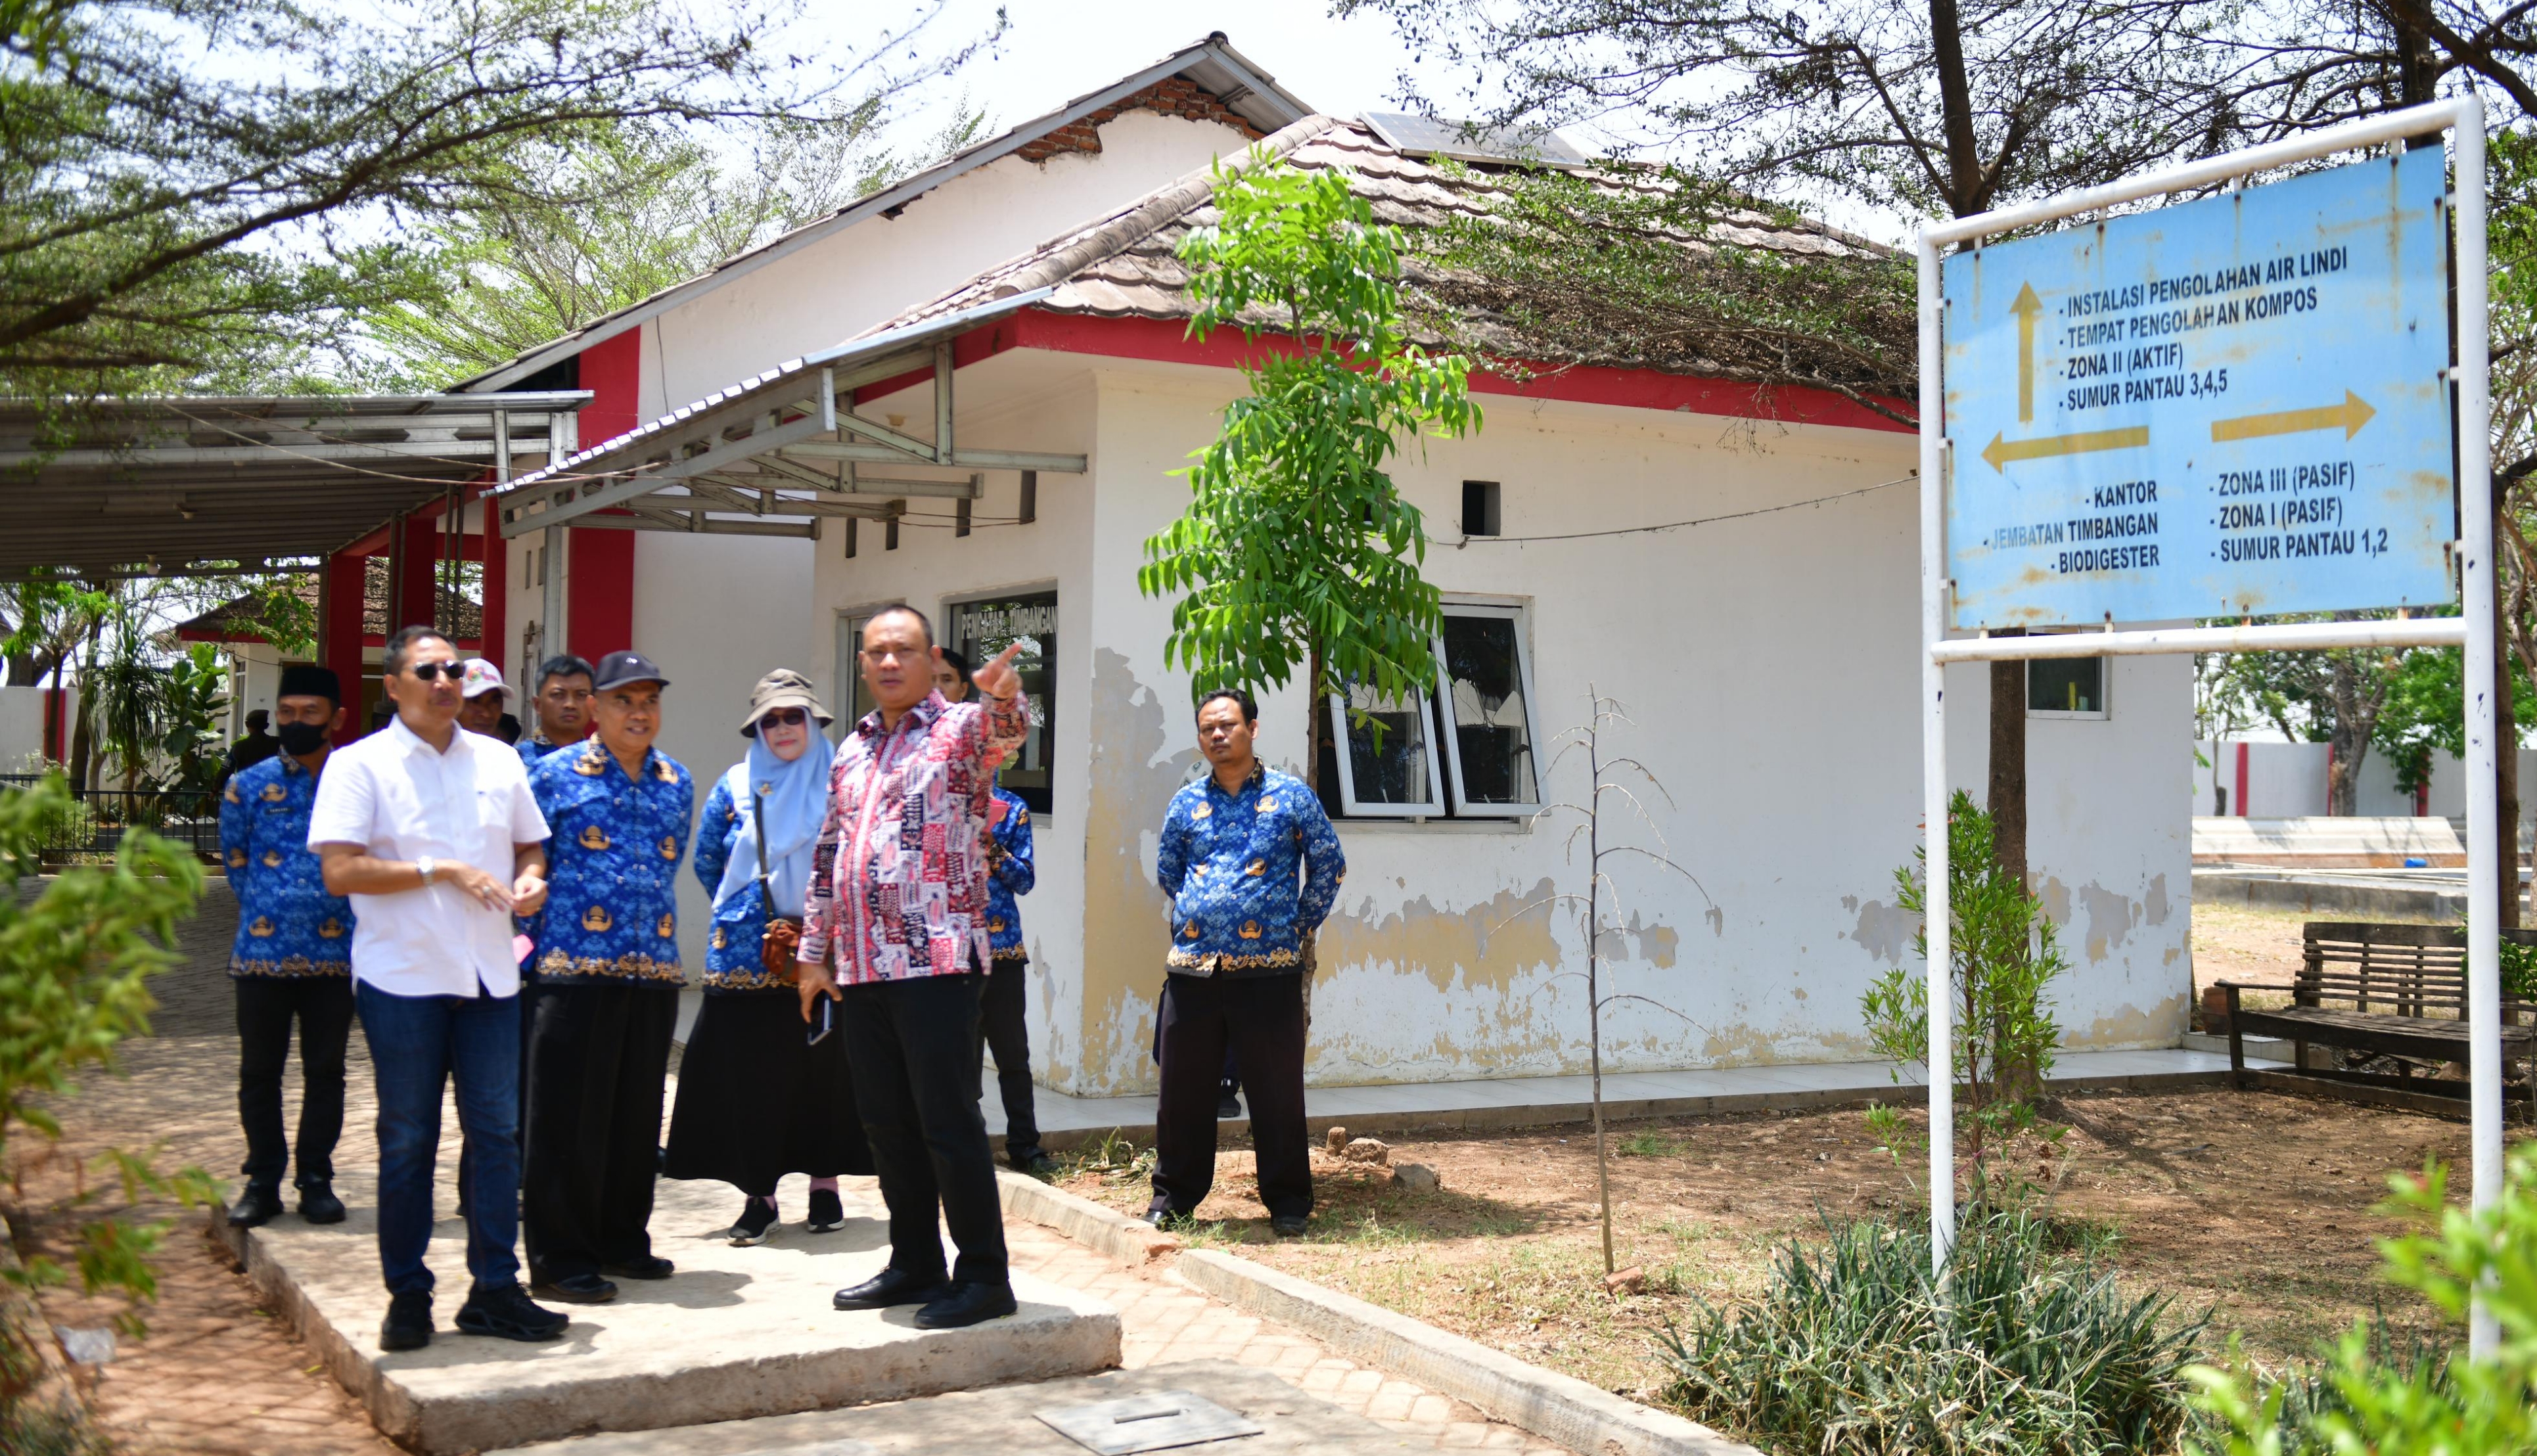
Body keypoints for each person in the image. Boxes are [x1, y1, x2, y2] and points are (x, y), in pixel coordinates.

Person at [309, 626, 566, 1352]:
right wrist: (441, 870)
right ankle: (408, 1293)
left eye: (454, 669)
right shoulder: (361, 765)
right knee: (409, 1137)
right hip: (404, 978)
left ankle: (494, 1289)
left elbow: (529, 841)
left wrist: (530, 878)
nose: (446, 681)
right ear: (393, 685)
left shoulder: (497, 758)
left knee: (496, 1136)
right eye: (430, 670)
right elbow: (341, 871)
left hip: (490, 974)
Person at [797, 607, 1029, 1330]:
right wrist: (812, 954)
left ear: (930, 658)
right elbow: (831, 853)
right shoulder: (852, 751)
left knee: (946, 1122)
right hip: (865, 969)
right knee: (887, 1125)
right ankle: (914, 1261)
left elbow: (1006, 736)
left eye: (904, 650)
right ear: (863, 664)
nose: (890, 662)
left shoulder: (959, 728)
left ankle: (985, 1275)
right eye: (877, 653)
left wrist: (1002, 696)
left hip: (936, 962)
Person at [665, 669, 873, 1242]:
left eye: (793, 716)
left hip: (827, 954)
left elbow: (858, 856)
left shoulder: (843, 780)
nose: (782, 727)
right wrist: (760, 918)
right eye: (770, 719)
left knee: (823, 1072)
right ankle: (759, 1195)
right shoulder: (734, 785)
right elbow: (708, 860)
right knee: (753, 1077)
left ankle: (824, 1188)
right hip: (745, 959)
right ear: (756, 728)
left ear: (813, 721)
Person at [522, 650, 691, 1304]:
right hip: (573, 969)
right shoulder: (555, 774)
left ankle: (623, 1239)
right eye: (624, 699)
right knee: (568, 1119)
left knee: (634, 1115)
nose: (639, 710)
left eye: (649, 698)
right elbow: (530, 856)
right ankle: (561, 1257)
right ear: (596, 708)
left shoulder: (677, 778)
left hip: (651, 970)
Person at [1146, 689, 1344, 1237]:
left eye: (1228, 724)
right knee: (1182, 1091)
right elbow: (1169, 871)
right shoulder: (1185, 802)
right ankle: (1174, 1198)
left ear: (1252, 729)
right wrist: (1200, 914)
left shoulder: (1290, 797)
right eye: (1207, 727)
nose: (1217, 735)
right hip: (1193, 969)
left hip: (1269, 971)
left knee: (1275, 1091)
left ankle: (1287, 1202)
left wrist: (1296, 926)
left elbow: (1328, 865)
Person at [219, 666, 355, 1229]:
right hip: (262, 955)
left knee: (326, 1072)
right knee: (259, 1073)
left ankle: (316, 1179)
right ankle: (263, 1180)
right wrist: (275, 909)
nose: (296, 724)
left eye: (310, 714)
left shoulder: (357, 784)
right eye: (287, 714)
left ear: (337, 719)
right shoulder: (246, 785)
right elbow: (236, 865)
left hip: (337, 957)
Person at [929, 648, 1048, 1175]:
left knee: (1013, 1056)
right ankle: (967, 1148)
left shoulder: (1014, 809)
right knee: (957, 1060)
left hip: (1002, 948)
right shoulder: (935, 799)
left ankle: (1025, 1146)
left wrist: (992, 845)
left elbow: (1024, 880)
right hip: (950, 951)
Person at [517, 654, 596, 765]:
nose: (570, 704)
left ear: (593, 705)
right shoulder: (515, 760)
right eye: (558, 695)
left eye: (581, 695)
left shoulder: (602, 762)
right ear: (538, 705)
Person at [459, 659, 515, 738]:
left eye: (495, 702)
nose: (487, 714)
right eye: (475, 701)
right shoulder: (437, 749)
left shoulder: (506, 750)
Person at [223, 708, 280, 781]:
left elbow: (225, 769)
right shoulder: (278, 743)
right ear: (266, 725)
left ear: (247, 724)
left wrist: (215, 789)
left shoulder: (239, 746)